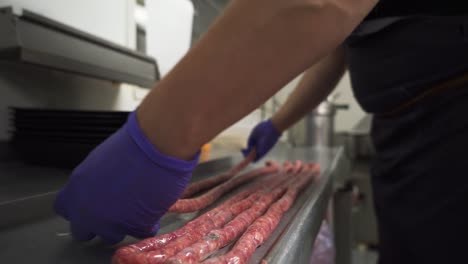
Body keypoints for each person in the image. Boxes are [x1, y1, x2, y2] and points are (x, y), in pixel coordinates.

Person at [54, 0, 468, 263]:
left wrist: (155, 138)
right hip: (407, 130)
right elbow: (337, 45)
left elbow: (319, 4)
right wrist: (279, 121)